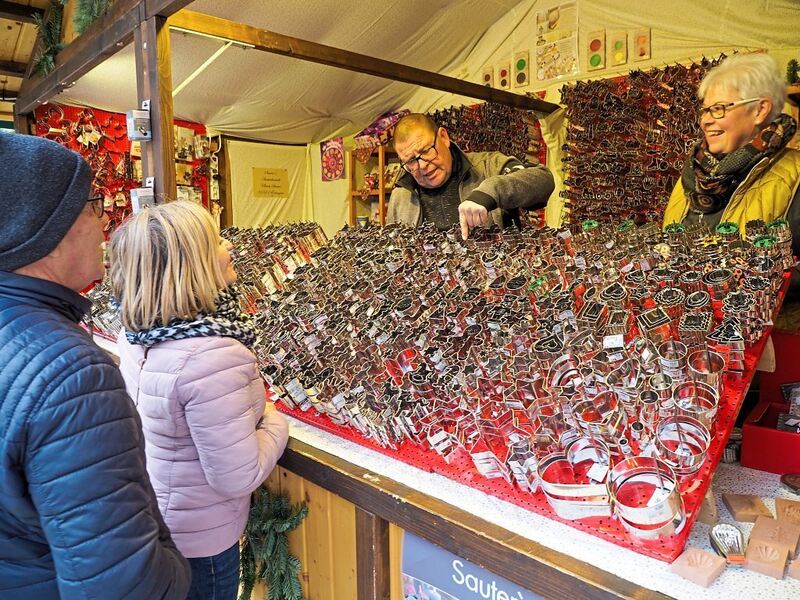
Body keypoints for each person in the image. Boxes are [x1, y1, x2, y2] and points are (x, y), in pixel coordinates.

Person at [0, 135, 191, 598]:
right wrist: (179, 571)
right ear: (47, 231)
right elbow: (124, 586)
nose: (103, 220)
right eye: (90, 206)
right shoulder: (72, 375)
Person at [109, 201, 289, 600]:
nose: (230, 247)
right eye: (219, 240)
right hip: (202, 542)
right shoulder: (212, 355)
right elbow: (236, 475)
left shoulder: (138, 335)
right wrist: (276, 420)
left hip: (159, 518)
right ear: (195, 263)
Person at [663, 52, 800, 280]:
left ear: (759, 110)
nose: (706, 121)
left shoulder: (795, 175)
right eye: (704, 110)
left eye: (718, 109)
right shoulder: (693, 173)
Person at [387, 113, 555, 239]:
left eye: (425, 151)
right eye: (410, 161)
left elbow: (543, 181)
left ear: (443, 137)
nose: (422, 165)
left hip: (493, 281)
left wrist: (490, 192)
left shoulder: (488, 166)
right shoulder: (401, 196)